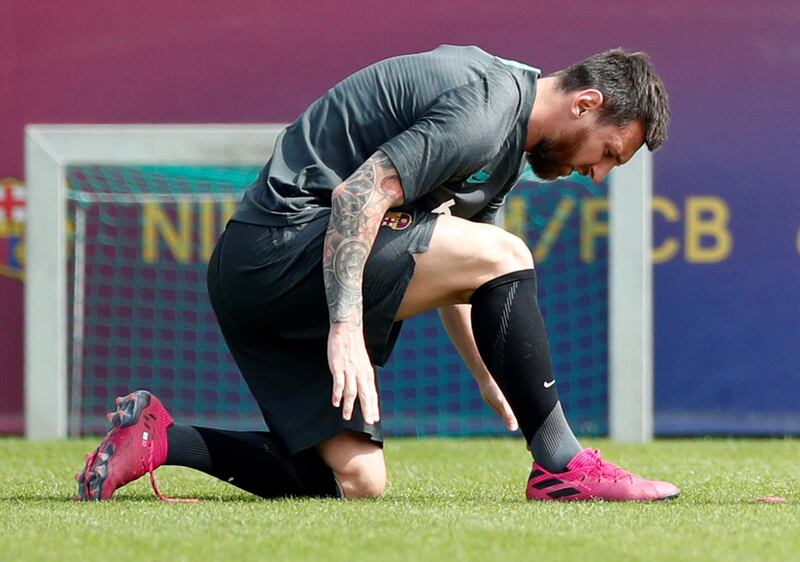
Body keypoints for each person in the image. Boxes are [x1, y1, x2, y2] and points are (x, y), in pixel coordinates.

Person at [77, 45, 679, 502]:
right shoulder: (487, 108)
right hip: (279, 250)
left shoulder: (507, 142)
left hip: (260, 276)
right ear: (586, 103)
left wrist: (491, 375)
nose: (598, 174)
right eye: (607, 153)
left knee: (359, 479)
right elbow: (356, 197)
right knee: (510, 252)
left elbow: (469, 273)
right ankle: (562, 466)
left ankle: (161, 439)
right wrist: (344, 326)